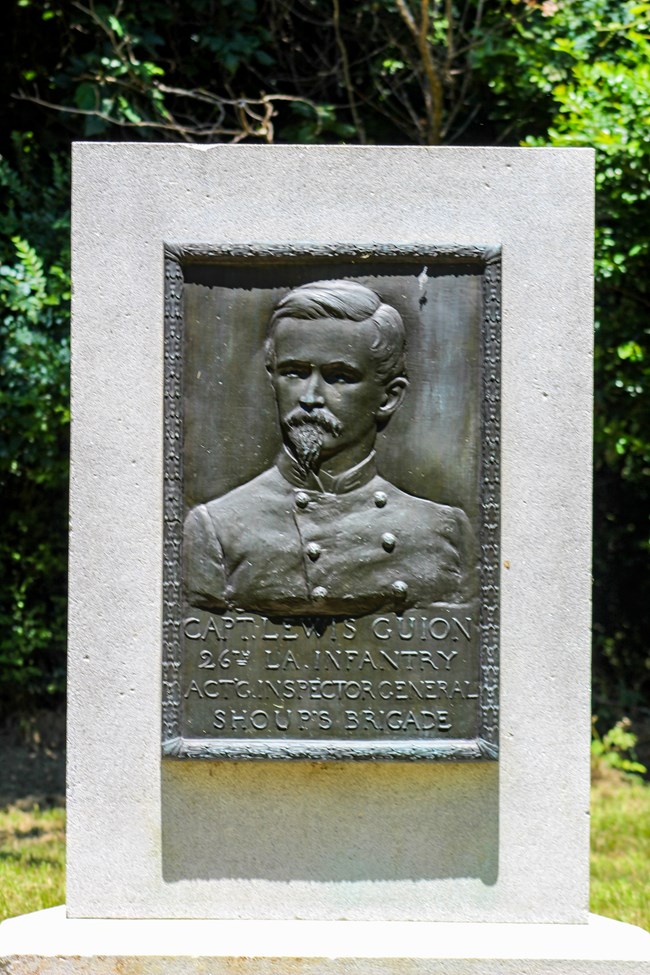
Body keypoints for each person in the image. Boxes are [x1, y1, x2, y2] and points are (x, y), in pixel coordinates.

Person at [183, 279, 477, 617]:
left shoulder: (444, 534)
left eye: (339, 377)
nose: (310, 398)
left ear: (389, 396)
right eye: (293, 373)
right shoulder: (217, 530)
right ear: (272, 379)